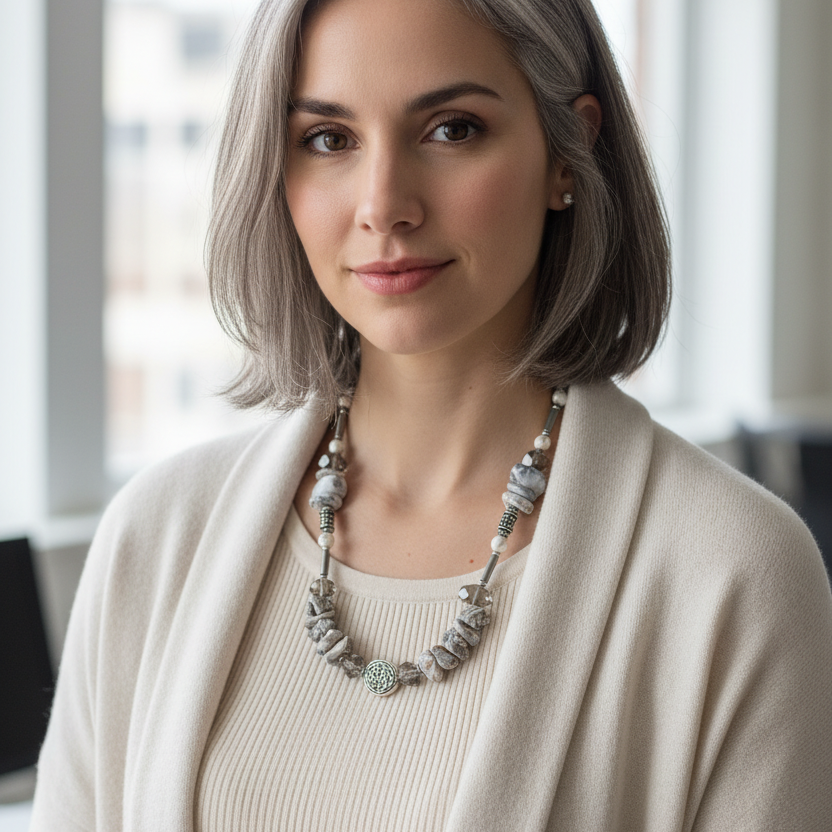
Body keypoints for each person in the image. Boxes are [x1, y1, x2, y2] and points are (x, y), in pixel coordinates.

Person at [31, 0, 832, 829]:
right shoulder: (156, 539)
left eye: (452, 129)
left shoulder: (734, 573)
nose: (384, 205)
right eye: (329, 139)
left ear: (570, 150)